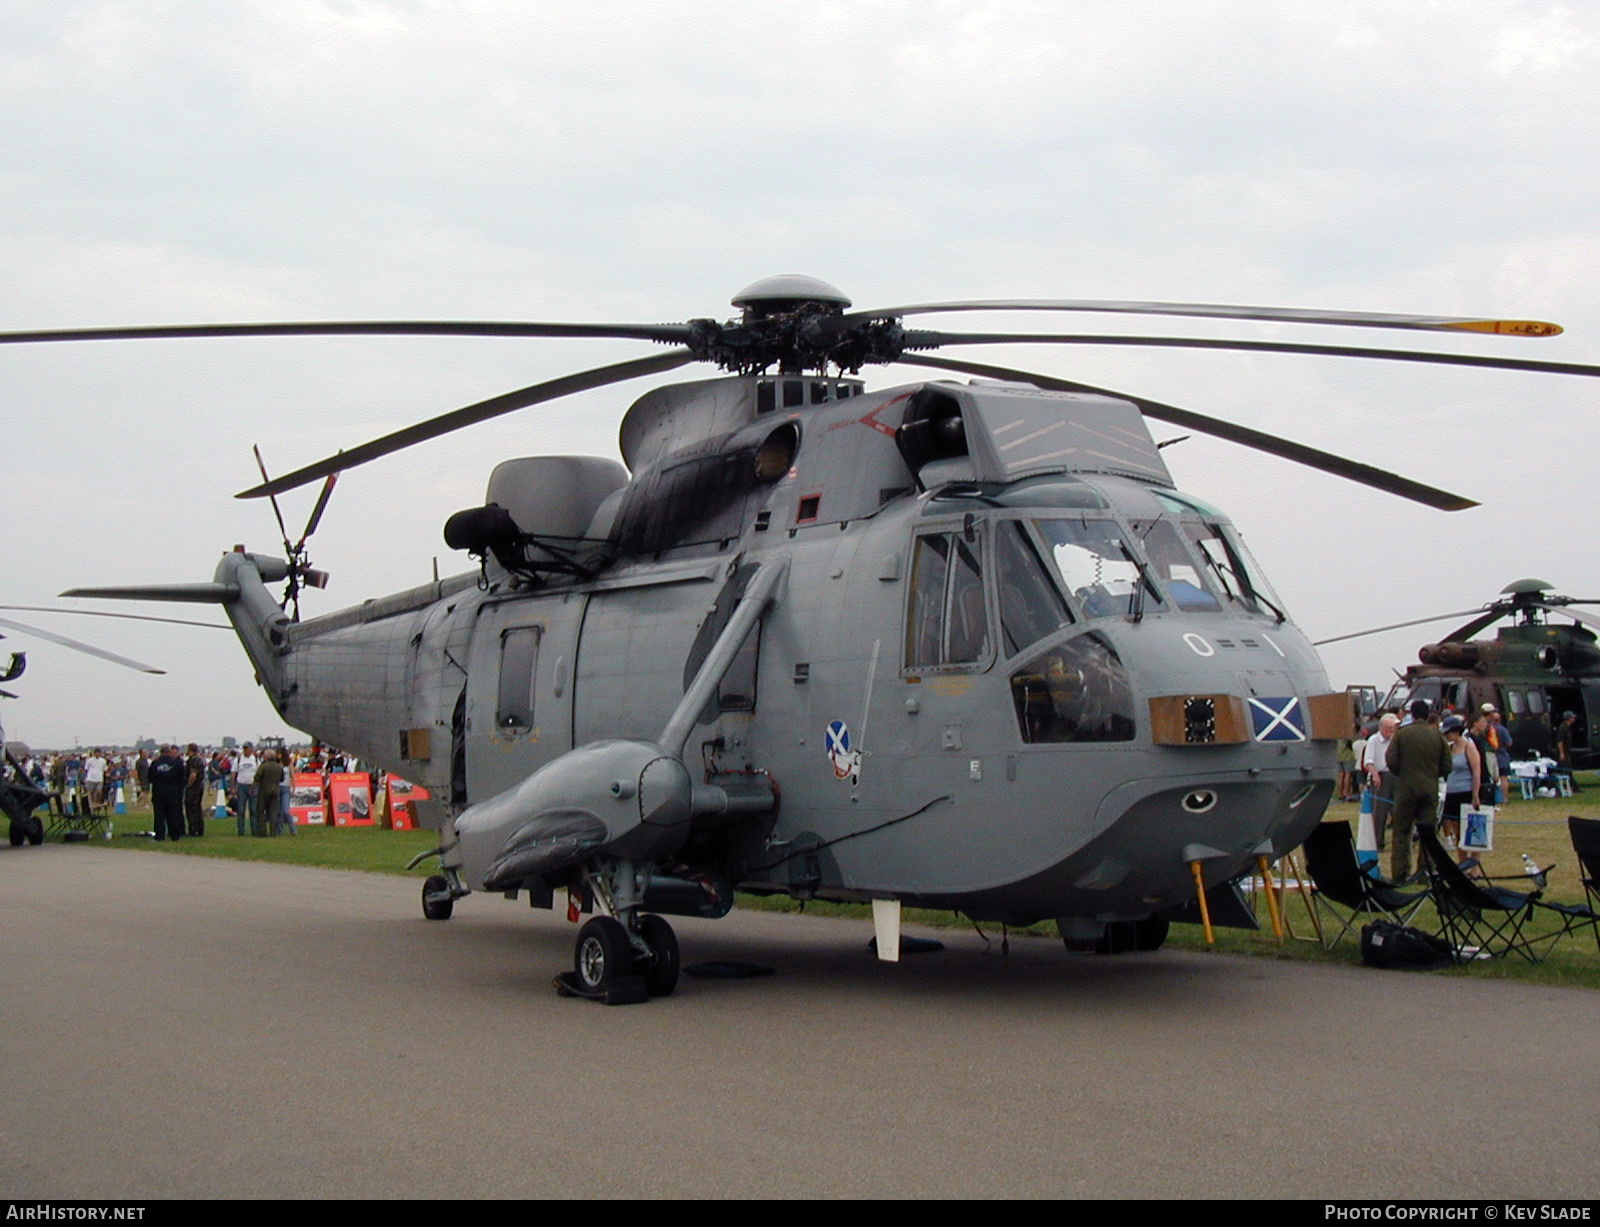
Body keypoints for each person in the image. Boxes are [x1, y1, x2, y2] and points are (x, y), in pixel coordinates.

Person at [1386, 699, 1451, 882]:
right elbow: (1447, 764)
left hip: (1406, 789)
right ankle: (1425, 870)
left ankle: (1400, 873)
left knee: (1401, 832)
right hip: (1429, 788)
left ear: (1412, 714)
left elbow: (1391, 760)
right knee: (1428, 832)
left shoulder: (1401, 735)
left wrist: (1403, 773)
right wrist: (1432, 774)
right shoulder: (1437, 736)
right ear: (1427, 714)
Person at [1439, 715, 1482, 862]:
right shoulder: (1450, 748)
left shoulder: (1468, 746)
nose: (1446, 736)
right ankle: (1462, 861)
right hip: (1452, 793)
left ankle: (1474, 865)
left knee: (1471, 830)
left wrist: (1475, 795)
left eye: (1448, 733)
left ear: (1456, 731)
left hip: (1466, 792)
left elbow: (1476, 771)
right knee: (1457, 832)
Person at [1363, 712, 1399, 850]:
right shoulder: (1373, 740)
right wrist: (1375, 775)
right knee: (1379, 811)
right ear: (1383, 728)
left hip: (1395, 774)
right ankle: (1378, 842)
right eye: (1390, 729)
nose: (1392, 732)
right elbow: (1368, 761)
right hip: (1380, 775)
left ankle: (1398, 841)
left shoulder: (1396, 740)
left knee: (1397, 809)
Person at [147, 745, 187, 842]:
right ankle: (175, 836)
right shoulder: (177, 763)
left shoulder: (155, 763)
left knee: (159, 815)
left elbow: (150, 778)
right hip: (173, 792)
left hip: (159, 792)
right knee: (173, 814)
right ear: (169, 752)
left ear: (160, 752)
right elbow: (183, 778)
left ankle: (159, 836)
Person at [254, 749, 285, 837]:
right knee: (273, 812)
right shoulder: (279, 766)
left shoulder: (264, 766)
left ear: (267, 757)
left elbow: (257, 777)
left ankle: (262, 831)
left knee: (260, 811)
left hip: (264, 790)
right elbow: (282, 778)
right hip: (276, 790)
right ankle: (273, 832)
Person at [233, 743, 259, 836]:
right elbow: (234, 772)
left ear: (251, 749)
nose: (246, 750)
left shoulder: (255, 759)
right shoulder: (238, 759)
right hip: (241, 786)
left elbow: (258, 772)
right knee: (241, 809)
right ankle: (241, 831)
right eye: (244, 748)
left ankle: (254, 830)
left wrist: (256, 783)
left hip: (253, 786)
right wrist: (233, 786)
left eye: (247, 748)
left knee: (253, 809)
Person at [184, 743, 207, 836]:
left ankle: (194, 829)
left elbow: (193, 775)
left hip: (194, 787)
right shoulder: (200, 760)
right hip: (199, 786)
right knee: (197, 808)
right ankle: (199, 829)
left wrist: (188, 785)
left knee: (191, 808)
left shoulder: (194, 760)